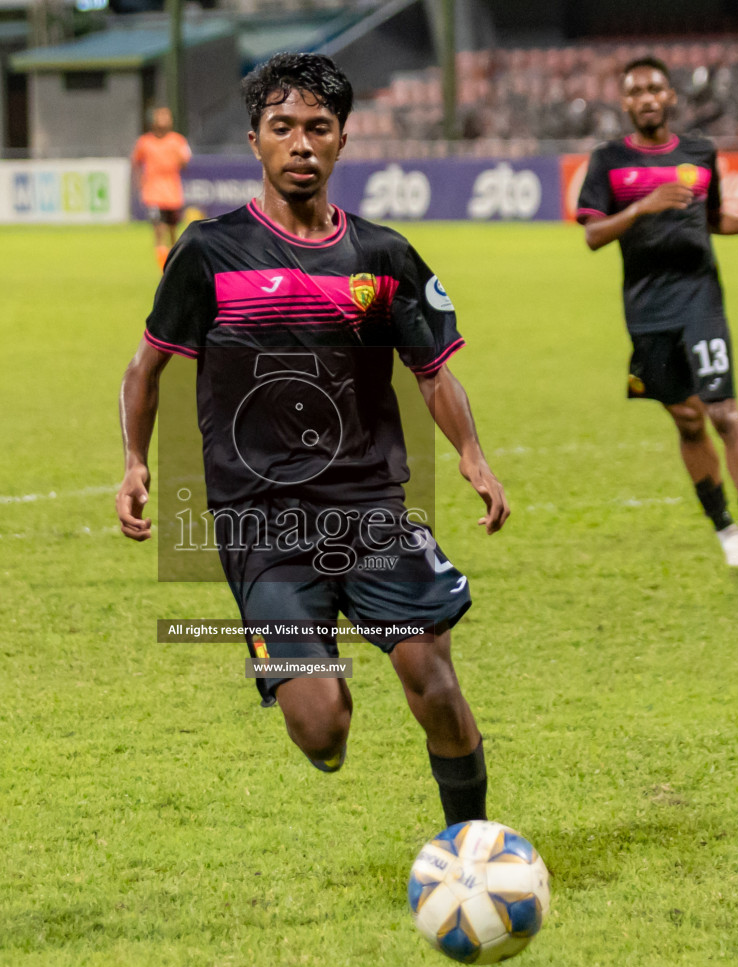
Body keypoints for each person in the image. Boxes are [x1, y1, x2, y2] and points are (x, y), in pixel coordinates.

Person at [115, 53, 510, 827]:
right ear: (256, 141)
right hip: (259, 524)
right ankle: (320, 695)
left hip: (367, 508)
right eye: (283, 128)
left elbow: (431, 371)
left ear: (341, 140)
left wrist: (471, 452)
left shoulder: (384, 257)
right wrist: (133, 461)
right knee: (320, 726)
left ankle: (472, 844)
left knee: (431, 675)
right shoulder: (209, 253)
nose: (301, 144)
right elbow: (145, 370)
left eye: (318, 129)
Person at [576, 57, 738, 571]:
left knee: (722, 411)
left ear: (670, 96)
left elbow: (709, 219)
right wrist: (641, 208)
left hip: (700, 299)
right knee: (689, 423)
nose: (646, 98)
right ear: (625, 104)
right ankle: (726, 529)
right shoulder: (607, 160)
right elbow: (593, 235)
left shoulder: (700, 153)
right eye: (635, 91)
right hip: (646, 311)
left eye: (654, 88)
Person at [130, 106, 192, 271]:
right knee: (159, 228)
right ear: (154, 120)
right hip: (153, 192)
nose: (164, 120)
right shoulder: (145, 142)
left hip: (172, 193)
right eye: (161, 116)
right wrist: (139, 184)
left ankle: (173, 263)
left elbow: (185, 162)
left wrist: (181, 157)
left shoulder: (177, 141)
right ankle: (163, 266)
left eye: (167, 116)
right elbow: (135, 162)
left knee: (173, 231)